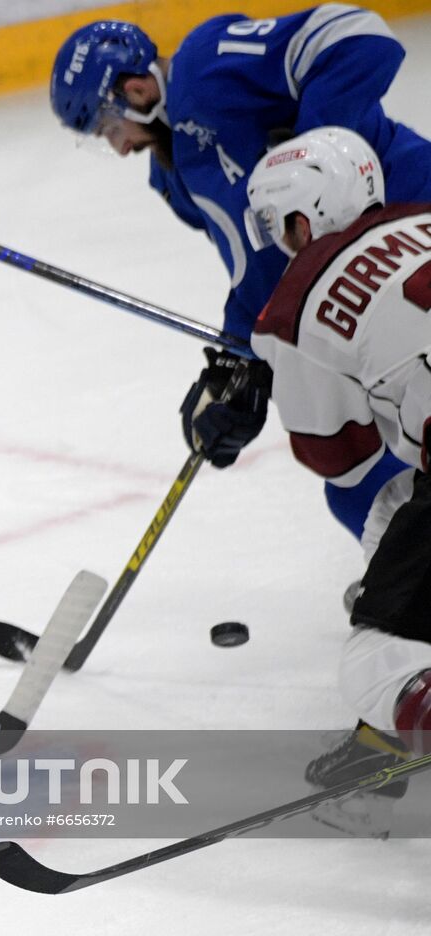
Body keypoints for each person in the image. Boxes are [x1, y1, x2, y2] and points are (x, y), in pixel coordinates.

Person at [49, 6, 431, 548]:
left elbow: (359, 37)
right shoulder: (173, 178)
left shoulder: (207, 63)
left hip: (411, 223)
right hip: (360, 298)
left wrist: (316, 158)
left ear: (135, 91)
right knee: (356, 475)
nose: (120, 146)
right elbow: (261, 268)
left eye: (111, 128)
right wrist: (234, 364)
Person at [243, 127, 431, 830]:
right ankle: (379, 748)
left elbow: (339, 457)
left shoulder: (298, 296)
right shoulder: (424, 218)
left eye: (279, 226)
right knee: (397, 508)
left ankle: (403, 709)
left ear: (302, 218)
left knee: (376, 660)